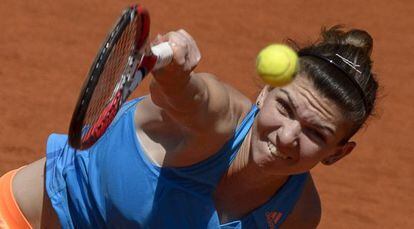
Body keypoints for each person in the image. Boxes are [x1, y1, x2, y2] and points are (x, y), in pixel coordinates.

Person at [0, 25, 378, 228]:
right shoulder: (218, 121)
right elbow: (191, 98)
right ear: (264, 94)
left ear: (338, 154)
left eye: (316, 134)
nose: (287, 135)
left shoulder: (298, 213)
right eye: (285, 108)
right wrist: (176, 76)